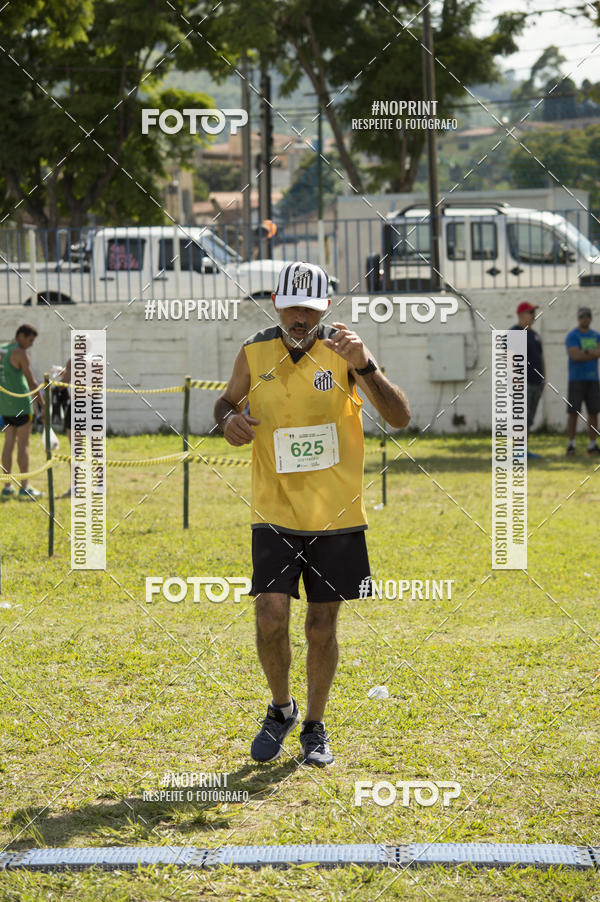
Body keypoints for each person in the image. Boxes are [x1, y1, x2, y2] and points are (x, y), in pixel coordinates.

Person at [214, 261, 410, 767]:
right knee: (270, 613)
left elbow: (400, 416)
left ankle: (315, 726)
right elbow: (225, 403)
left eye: (311, 308)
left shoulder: (345, 351)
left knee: (322, 626)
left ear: (326, 308)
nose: (300, 317)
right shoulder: (253, 351)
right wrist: (229, 419)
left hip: (336, 515)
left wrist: (366, 366)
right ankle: (281, 709)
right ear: (277, 304)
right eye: (292, 307)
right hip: (275, 509)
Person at [0, 323, 44, 500]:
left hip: (5, 406)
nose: (31, 344)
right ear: (21, 336)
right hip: (21, 405)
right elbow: (32, 381)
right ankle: (24, 486)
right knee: (23, 445)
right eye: (30, 340)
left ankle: (7, 485)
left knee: (8, 443)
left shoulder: (3, 349)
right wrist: (43, 403)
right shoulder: (20, 353)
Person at [510, 301, 545, 459]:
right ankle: (518, 452)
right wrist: (517, 381)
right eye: (529, 312)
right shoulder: (515, 332)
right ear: (520, 315)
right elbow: (509, 357)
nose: (533, 315)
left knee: (529, 419)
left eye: (533, 312)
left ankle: (524, 450)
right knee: (521, 418)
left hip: (537, 383)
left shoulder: (534, 335)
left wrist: (544, 377)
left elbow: (541, 357)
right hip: (523, 384)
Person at [565, 306, 600, 456]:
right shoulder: (572, 335)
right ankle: (571, 444)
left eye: (587, 316)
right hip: (576, 379)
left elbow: (598, 352)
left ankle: (592, 445)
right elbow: (575, 356)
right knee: (573, 412)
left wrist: (584, 351)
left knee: (593, 412)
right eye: (582, 316)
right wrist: (591, 353)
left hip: (593, 379)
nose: (584, 319)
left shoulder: (596, 335)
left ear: (590, 318)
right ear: (578, 318)